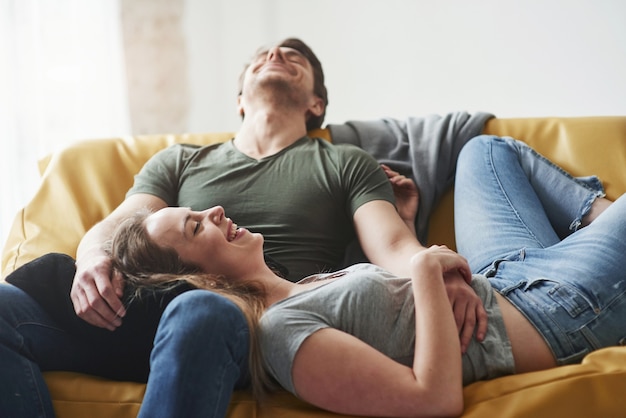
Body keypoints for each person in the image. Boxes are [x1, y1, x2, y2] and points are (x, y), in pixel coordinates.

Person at [0, 37, 490, 417]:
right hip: (150, 301)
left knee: (200, 309)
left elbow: (393, 245)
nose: (276, 52)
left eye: (294, 58)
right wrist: (90, 263)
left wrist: (441, 272)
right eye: (262, 56)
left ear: (316, 103)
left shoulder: (346, 161)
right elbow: (119, 224)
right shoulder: (180, 161)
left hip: (247, 313)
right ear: (239, 99)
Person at [104, 134, 624, 417]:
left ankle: (595, 233)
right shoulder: (282, 334)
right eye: (197, 226)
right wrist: (424, 269)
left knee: (486, 151)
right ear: (203, 280)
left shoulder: (303, 289)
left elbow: (397, 315)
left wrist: (407, 226)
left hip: (505, 274)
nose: (215, 211)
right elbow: (432, 400)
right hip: (552, 309)